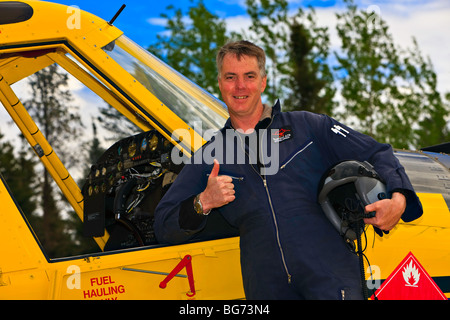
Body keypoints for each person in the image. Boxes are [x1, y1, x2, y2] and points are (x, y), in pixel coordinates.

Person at [154, 40, 423, 299]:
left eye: (249, 76)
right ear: (220, 84)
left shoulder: (309, 127)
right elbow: (163, 224)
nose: (240, 86)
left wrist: (399, 199)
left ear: (263, 81)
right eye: (230, 77)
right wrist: (203, 202)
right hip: (267, 287)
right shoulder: (211, 155)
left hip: (331, 278)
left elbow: (376, 152)